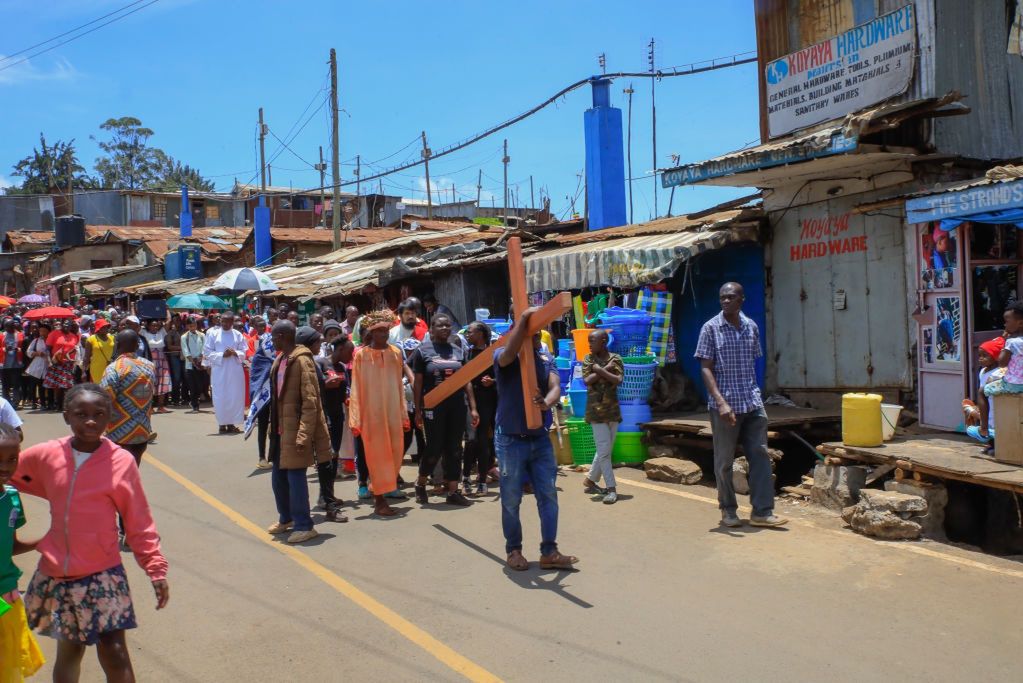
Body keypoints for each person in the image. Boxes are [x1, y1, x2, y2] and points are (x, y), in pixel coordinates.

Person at [14, 384, 169, 682]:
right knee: (70, 651)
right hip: (60, 573)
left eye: (99, 414)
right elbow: (10, 472)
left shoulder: (121, 461)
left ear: (109, 417)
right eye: (80, 414)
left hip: (104, 573)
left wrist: (155, 568)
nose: (90, 421)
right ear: (65, 416)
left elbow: (138, 520)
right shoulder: (46, 454)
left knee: (114, 652)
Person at [696, 282, 786, 528]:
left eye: (731, 297)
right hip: (724, 405)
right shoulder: (710, 328)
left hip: (752, 402)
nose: (726, 301)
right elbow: (705, 368)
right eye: (722, 297)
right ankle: (728, 510)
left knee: (760, 455)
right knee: (724, 461)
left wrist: (756, 393)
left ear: (741, 300)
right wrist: (721, 402)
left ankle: (762, 511)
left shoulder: (751, 327)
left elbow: (753, 364)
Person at [494, 308, 578, 571]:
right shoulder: (504, 350)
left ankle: (549, 551)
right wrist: (522, 323)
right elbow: (507, 357)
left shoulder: (544, 353)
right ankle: (514, 550)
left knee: (548, 495)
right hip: (511, 438)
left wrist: (547, 404)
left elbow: (555, 386)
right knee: (511, 498)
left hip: (539, 438)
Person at [266, 322, 330, 543]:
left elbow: (311, 401)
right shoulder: (280, 359)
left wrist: (304, 433)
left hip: (295, 431)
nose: (271, 340)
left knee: (295, 477)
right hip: (279, 431)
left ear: (282, 336)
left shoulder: (302, 361)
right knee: (278, 478)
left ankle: (305, 525)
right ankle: (287, 518)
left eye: (273, 336)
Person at [411, 314, 478, 507]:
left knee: (455, 449)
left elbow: (466, 381)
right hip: (433, 407)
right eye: (440, 326)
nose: (445, 328)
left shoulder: (458, 350)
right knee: (434, 448)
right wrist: (418, 410)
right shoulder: (422, 351)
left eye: (448, 325)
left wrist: (473, 408)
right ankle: (421, 483)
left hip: (457, 405)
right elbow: (418, 384)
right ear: (431, 329)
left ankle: (453, 491)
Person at [349, 310, 410, 517]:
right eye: (379, 331)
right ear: (371, 334)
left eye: (386, 330)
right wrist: (356, 418)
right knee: (377, 456)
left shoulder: (395, 353)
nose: (384, 334)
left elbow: (399, 387)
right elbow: (356, 388)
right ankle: (379, 500)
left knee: (395, 451)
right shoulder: (361, 356)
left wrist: (403, 413)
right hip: (371, 415)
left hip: (392, 411)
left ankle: (384, 489)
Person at [0, 423, 46, 680]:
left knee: (8, 663)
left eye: (12, 459)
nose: (5, 467)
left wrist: (46, 541)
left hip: (7, 595)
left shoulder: (12, 499)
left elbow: (11, 546)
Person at [299, 325, 349, 520]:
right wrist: (326, 385)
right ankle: (327, 502)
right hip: (324, 416)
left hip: (338, 416)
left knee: (333, 457)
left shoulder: (342, 367)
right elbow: (313, 389)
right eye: (349, 351)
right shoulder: (318, 363)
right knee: (326, 459)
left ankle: (326, 495)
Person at [100, 330, 156, 465]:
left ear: (117, 344)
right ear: (137, 346)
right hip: (142, 431)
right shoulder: (149, 366)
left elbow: (104, 401)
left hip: (118, 434)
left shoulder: (114, 368)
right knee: (132, 471)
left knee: (117, 475)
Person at [581, 329, 624, 504]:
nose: (589, 345)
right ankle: (612, 489)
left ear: (604, 341)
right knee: (605, 452)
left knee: (604, 450)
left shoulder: (616, 358)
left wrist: (600, 369)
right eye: (589, 341)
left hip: (612, 411)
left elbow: (618, 380)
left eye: (592, 341)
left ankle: (590, 480)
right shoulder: (588, 359)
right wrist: (604, 370)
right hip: (595, 412)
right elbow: (587, 380)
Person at [464, 321, 497, 495]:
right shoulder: (466, 353)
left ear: (481, 334)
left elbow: (501, 377)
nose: (467, 334)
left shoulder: (492, 354)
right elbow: (465, 378)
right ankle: (466, 477)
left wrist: (492, 382)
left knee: (483, 440)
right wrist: (472, 406)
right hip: (469, 401)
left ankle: (482, 480)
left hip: (487, 401)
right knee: (471, 440)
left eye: (470, 331)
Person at [204, 311, 249, 434]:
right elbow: (207, 352)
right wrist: (222, 355)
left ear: (232, 322)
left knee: (234, 397)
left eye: (227, 321)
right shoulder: (213, 334)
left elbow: (244, 351)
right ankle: (222, 425)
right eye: (222, 321)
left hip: (235, 371)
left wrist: (235, 353)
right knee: (221, 397)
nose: (224, 323)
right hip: (219, 371)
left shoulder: (238, 335)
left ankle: (231, 424)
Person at [965, 337, 1006, 452]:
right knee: (987, 422)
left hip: (995, 403)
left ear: (995, 356)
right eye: (979, 356)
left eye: (985, 356)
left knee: (995, 423)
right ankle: (991, 444)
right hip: (986, 405)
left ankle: (997, 446)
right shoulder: (982, 371)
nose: (980, 359)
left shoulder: (999, 372)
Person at [244, 316, 274, 469]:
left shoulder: (281, 351)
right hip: (263, 392)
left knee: (275, 425)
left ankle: (273, 456)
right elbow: (256, 373)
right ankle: (262, 457)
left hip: (277, 392)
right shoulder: (259, 355)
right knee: (263, 425)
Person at [984, 302, 1023, 401]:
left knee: (983, 390)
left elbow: (1002, 363)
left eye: (1007, 321)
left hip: (1015, 385)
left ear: (1020, 323)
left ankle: (985, 416)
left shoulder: (1011, 342)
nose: (1005, 324)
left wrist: (1005, 341)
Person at [43, 319, 80, 411]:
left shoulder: (74, 336)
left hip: (69, 364)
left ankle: (65, 405)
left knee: (67, 385)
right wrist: (49, 361)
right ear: (62, 325)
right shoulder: (54, 334)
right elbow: (47, 349)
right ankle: (58, 404)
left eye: (68, 325)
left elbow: (76, 349)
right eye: (64, 325)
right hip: (57, 363)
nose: (66, 326)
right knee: (57, 387)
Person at [181, 317, 206, 413]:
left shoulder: (202, 335)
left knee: (200, 385)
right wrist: (193, 362)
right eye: (190, 326)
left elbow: (205, 348)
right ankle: (195, 405)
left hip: (200, 363)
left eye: (194, 325)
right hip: (190, 365)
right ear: (187, 326)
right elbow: (185, 351)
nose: (193, 327)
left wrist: (201, 358)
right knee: (192, 386)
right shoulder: (184, 337)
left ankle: (196, 400)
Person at [82, 317, 115, 383]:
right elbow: (86, 357)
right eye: (103, 327)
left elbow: (115, 353)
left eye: (107, 327)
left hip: (109, 368)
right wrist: (83, 372)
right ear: (98, 328)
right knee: (96, 390)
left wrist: (112, 360)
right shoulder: (91, 339)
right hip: (96, 369)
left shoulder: (112, 338)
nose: (106, 329)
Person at [0, 318, 24, 408]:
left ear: (14, 326)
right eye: (6, 327)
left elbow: (25, 348)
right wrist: (5, 349)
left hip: (16, 364)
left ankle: (15, 403)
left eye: (10, 326)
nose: (8, 328)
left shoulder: (20, 335)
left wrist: (18, 349)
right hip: (4, 365)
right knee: (5, 386)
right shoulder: (1, 335)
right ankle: (7, 404)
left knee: (16, 385)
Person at [166, 315, 185, 406]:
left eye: (179, 320)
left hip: (184, 356)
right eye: (175, 320)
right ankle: (175, 398)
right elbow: (169, 347)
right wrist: (182, 348)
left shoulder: (184, 331)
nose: (177, 322)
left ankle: (185, 397)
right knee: (176, 378)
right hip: (175, 356)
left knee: (185, 377)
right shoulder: (171, 333)